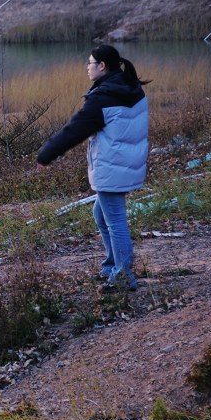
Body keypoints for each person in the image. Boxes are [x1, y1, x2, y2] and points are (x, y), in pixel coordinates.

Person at [36, 45, 149, 291]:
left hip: (111, 167)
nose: (87, 67)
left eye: (90, 62)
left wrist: (46, 155)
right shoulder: (131, 87)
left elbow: (74, 130)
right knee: (101, 213)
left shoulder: (103, 97)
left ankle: (123, 276)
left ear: (102, 66)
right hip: (127, 163)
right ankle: (112, 266)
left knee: (116, 221)